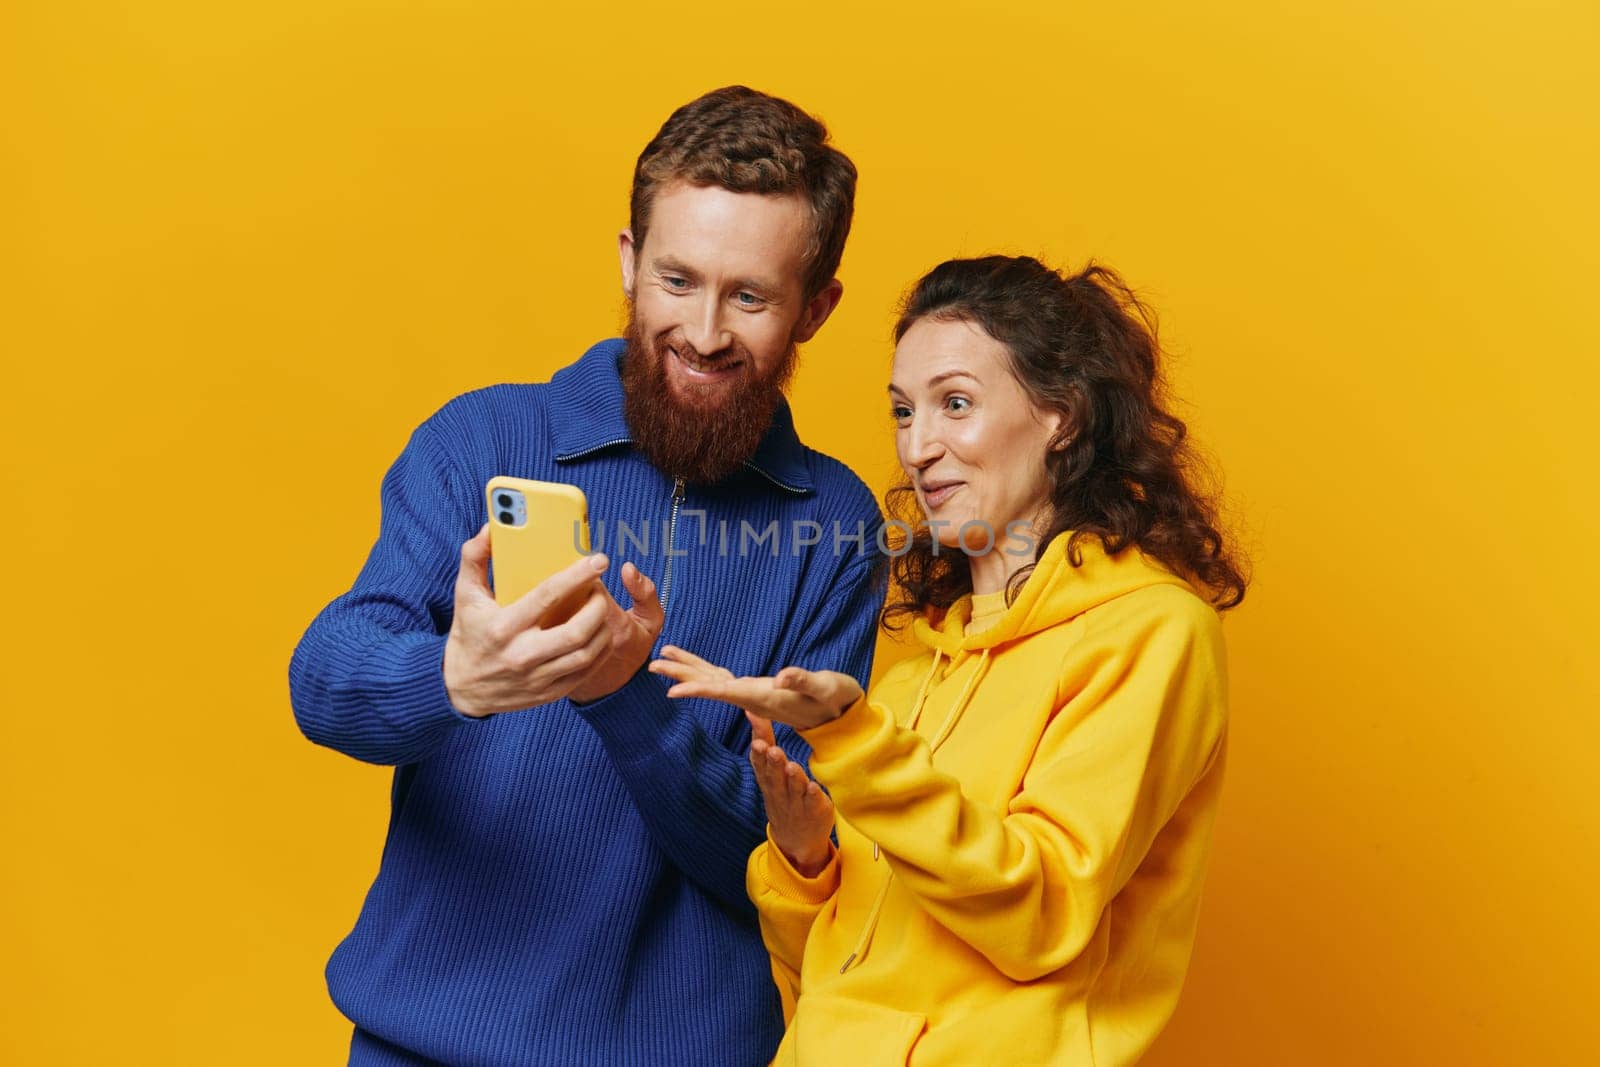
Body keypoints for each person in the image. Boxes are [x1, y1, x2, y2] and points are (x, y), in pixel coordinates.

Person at [288, 86, 884, 1066]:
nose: (702, 330)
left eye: (750, 296)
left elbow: (786, 861)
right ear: (627, 262)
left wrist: (625, 699)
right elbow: (324, 680)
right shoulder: (482, 439)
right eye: (676, 279)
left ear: (814, 308)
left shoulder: (835, 527)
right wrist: (453, 678)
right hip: (420, 1044)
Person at [651, 255, 1249, 1065]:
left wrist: (855, 740)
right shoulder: (914, 680)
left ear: (1061, 416)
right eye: (903, 411)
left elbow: (1042, 915)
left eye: (955, 404)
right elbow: (822, 982)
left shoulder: (1150, 633)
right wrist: (805, 861)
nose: (918, 446)